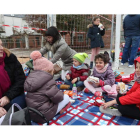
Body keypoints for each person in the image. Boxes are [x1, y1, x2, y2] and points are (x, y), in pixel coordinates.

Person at [24, 51, 71, 124]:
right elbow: (58, 98)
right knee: (66, 97)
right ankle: (60, 109)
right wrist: (61, 94)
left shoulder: (30, 78)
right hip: (44, 115)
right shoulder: (48, 81)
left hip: (32, 114)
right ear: (49, 70)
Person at [0, 39, 26, 118]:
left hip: (13, 96)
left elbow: (21, 80)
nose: (1, 48)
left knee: (14, 108)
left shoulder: (10, 58)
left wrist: (8, 96)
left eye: (1, 45)